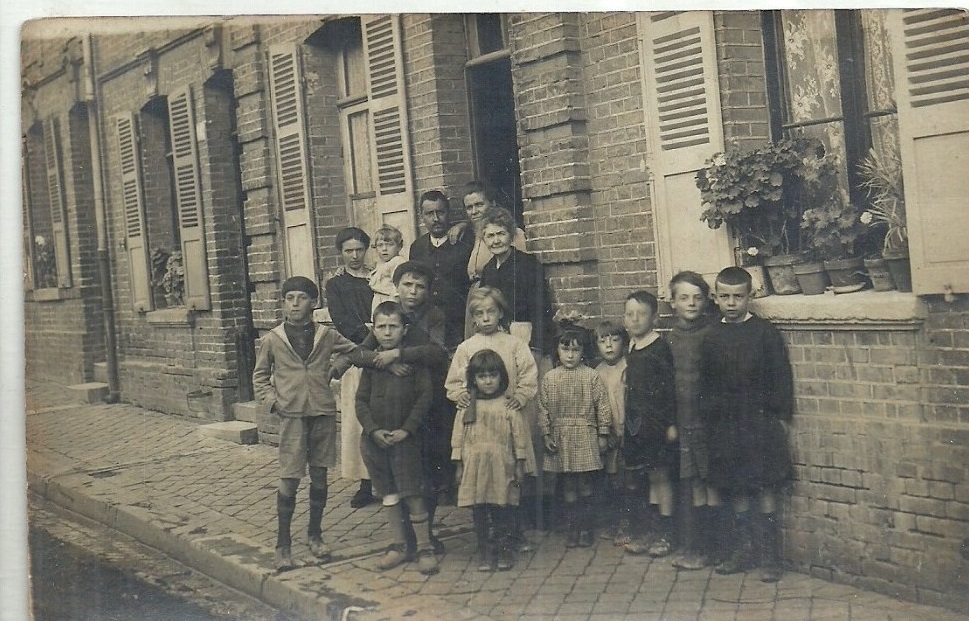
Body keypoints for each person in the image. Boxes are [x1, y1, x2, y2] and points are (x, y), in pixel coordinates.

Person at [332, 261, 451, 556]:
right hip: (395, 404)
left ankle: (426, 536)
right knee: (402, 475)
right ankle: (405, 540)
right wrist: (383, 360)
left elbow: (437, 352)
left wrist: (399, 354)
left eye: (420, 286)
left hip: (428, 401)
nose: (413, 291)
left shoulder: (433, 315)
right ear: (396, 288)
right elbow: (361, 352)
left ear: (427, 290)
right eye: (407, 285)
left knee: (427, 473)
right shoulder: (388, 316)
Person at [252, 276, 361, 571]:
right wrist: (274, 402)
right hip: (292, 417)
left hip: (322, 412)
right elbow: (260, 378)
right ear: (284, 303)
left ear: (313, 303)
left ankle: (315, 535)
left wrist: (335, 369)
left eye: (301, 297)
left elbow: (353, 351)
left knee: (320, 477)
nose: (295, 303)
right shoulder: (273, 338)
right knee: (289, 478)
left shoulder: (326, 335)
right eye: (289, 298)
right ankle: (283, 545)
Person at [700, 266, 793, 583]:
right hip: (726, 423)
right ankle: (745, 549)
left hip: (758, 421)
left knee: (764, 483)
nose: (731, 303)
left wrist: (780, 416)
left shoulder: (764, 333)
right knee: (736, 484)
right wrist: (710, 416)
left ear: (750, 296)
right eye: (724, 296)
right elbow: (706, 383)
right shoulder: (711, 336)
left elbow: (781, 376)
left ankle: (770, 556)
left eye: (738, 296)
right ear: (715, 297)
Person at [446, 287, 539, 542]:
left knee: (512, 478)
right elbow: (454, 382)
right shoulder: (466, 348)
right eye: (479, 313)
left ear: (500, 313)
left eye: (491, 312)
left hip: (507, 419)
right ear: (473, 318)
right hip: (480, 425)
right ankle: (489, 535)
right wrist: (460, 394)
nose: (485, 318)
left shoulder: (514, 344)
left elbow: (529, 375)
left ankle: (514, 532)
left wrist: (520, 396)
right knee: (485, 478)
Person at [356, 301, 439, 575]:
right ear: (374, 330)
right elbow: (360, 401)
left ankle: (425, 548)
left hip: (405, 440)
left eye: (393, 327)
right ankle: (399, 545)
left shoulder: (413, 362)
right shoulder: (372, 363)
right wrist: (372, 430)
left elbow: (425, 397)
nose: (387, 332)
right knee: (388, 494)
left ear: (404, 330)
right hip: (376, 441)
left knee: (412, 492)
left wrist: (407, 429)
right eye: (381, 327)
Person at [451, 349, 533, 572]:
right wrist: (458, 465)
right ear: (474, 380)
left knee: (502, 508)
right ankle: (485, 552)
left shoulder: (508, 406)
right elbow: (458, 438)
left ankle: (504, 549)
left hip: (501, 465)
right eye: (482, 376)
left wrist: (519, 464)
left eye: (493, 375)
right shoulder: (467, 406)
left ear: (501, 377)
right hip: (475, 466)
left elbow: (518, 438)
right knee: (479, 509)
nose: (488, 381)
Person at [664, 271, 722, 570]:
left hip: (708, 424)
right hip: (683, 423)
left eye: (698, 297)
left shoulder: (713, 334)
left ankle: (713, 549)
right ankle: (699, 547)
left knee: (710, 481)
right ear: (672, 302)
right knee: (693, 484)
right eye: (684, 297)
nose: (691, 303)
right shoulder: (670, 340)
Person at [539, 325, 613, 548]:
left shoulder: (591, 377)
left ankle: (586, 529)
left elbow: (603, 406)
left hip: (584, 433)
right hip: (561, 435)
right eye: (565, 349)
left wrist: (603, 434)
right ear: (557, 351)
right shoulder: (550, 378)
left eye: (576, 350)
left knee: (585, 484)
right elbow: (543, 408)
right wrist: (545, 434)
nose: (570, 355)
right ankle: (573, 528)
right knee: (568, 484)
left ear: (583, 353)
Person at [621, 290, 678, 558]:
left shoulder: (659, 348)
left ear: (654, 317)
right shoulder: (632, 347)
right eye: (630, 314)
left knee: (660, 476)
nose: (635, 320)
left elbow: (669, 390)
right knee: (645, 476)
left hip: (656, 424)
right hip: (637, 425)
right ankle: (650, 530)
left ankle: (666, 532)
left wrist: (670, 424)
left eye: (641, 314)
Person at [324, 227, 377, 509]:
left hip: (383, 353)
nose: (355, 256)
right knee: (358, 420)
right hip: (356, 356)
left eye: (359, 249)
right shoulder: (336, 285)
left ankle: (388, 480)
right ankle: (365, 482)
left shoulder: (378, 276)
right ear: (341, 252)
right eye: (348, 250)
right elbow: (342, 321)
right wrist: (369, 337)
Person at [478, 206, 555, 357]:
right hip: (496, 338)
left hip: (524, 336)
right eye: (490, 236)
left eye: (501, 234)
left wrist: (536, 348)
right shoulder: (488, 269)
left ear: (511, 235)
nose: (496, 241)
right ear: (484, 239)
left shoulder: (528, 264)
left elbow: (540, 309)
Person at [409, 190, 474, 351]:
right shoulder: (417, 247)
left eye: (440, 212)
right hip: (428, 326)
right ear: (422, 216)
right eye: (430, 214)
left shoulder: (465, 241)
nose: (436, 219)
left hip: (460, 323)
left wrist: (465, 224)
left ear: (448, 213)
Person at [593, 320, 628, 543]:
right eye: (603, 341)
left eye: (614, 340)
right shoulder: (597, 372)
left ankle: (628, 525)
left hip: (627, 430)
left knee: (628, 479)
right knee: (612, 479)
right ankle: (614, 522)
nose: (609, 346)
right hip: (609, 433)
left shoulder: (628, 366)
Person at [462, 181, 526, 285]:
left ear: (493, 203)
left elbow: (522, 268)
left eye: (479, 205)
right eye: (469, 207)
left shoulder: (512, 233)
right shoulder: (469, 235)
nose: (474, 211)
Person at [369, 224, 407, 314]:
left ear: (399, 246)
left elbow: (398, 287)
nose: (384, 249)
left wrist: (393, 304)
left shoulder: (397, 262)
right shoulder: (380, 264)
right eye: (380, 245)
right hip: (379, 300)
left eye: (389, 245)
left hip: (390, 300)